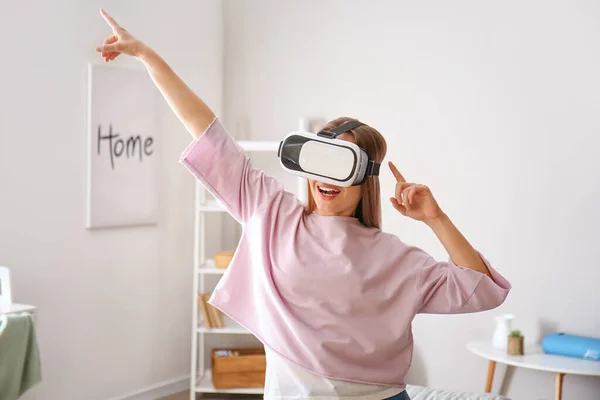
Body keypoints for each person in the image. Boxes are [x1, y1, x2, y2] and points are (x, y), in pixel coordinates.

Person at [96, 9, 511, 400]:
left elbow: (483, 290)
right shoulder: (271, 212)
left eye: (341, 165)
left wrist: (436, 219)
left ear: (366, 177)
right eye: (319, 161)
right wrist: (147, 56)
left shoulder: (396, 258)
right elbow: (207, 132)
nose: (325, 179)